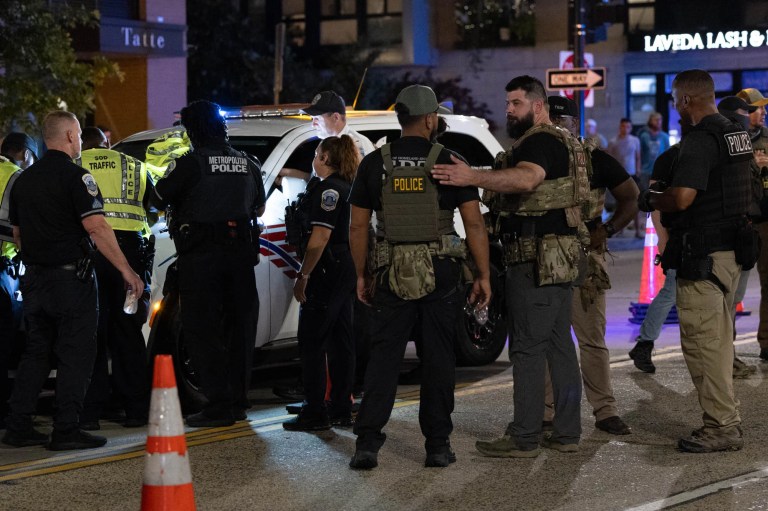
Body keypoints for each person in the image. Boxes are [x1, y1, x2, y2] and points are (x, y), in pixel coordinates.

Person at [432, 75, 586, 458]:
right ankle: (566, 432)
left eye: (515, 103)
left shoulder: (540, 140)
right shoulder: (565, 140)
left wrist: (471, 176)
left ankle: (525, 436)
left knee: (528, 349)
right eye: (507, 103)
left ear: (536, 106)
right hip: (558, 259)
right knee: (558, 346)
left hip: (536, 260)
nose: (508, 110)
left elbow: (528, 178)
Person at [348, 84, 491, 469]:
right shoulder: (450, 160)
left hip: (391, 270)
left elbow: (358, 227)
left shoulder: (374, 163)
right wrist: (483, 275)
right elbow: (474, 225)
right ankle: (438, 446)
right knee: (439, 358)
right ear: (430, 119)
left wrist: (362, 274)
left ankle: (367, 443)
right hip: (441, 271)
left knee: (384, 358)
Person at [2, 111, 144, 450]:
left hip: (35, 281)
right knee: (75, 354)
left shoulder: (22, 180)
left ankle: (18, 425)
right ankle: (66, 430)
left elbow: (18, 234)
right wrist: (126, 270)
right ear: (68, 136)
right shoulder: (78, 178)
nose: (80, 141)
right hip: (71, 281)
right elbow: (96, 227)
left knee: (36, 354)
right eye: (78, 134)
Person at [637, 69, 754, 453]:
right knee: (719, 342)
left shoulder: (702, 140)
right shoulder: (734, 132)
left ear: (686, 100)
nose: (674, 108)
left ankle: (721, 426)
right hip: (729, 251)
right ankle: (727, 417)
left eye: (674, 101)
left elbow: (683, 198)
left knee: (704, 344)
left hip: (704, 255)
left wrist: (652, 199)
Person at [153, 100, 266, 428]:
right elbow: (258, 207)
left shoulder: (190, 164)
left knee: (203, 331)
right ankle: (238, 401)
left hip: (202, 257)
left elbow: (158, 198)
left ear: (193, 131)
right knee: (240, 330)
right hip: (241, 257)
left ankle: (218, 405)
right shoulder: (248, 163)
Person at [545, 96, 638, 436]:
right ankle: (546, 411)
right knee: (545, 340)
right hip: (542, 258)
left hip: (583, 257)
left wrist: (608, 230)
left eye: (562, 122)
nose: (557, 128)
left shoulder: (593, 159)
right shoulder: (536, 156)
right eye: (550, 122)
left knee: (592, 339)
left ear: (575, 123)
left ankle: (605, 410)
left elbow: (632, 196)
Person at [76, 126, 155, 430]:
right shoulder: (134, 166)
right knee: (127, 331)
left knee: (91, 331)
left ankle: (90, 411)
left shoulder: (75, 165)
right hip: (129, 255)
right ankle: (136, 409)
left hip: (91, 252)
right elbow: (153, 209)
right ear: (108, 143)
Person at [282, 135, 359, 432]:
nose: (313, 159)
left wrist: (304, 275)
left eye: (316, 154)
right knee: (341, 339)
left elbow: (320, 237)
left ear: (326, 157)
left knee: (312, 340)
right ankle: (340, 407)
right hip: (344, 266)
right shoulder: (346, 186)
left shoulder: (330, 190)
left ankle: (314, 412)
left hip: (328, 268)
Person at [0, 133, 38, 429]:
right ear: (25, 153)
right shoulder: (16, 177)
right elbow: (17, 229)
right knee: (4, 341)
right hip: (3, 270)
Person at [276, 91, 375, 187]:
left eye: (317, 118)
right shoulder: (325, 143)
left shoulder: (358, 145)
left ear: (335, 117)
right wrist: (287, 173)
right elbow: (316, 179)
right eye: (312, 119)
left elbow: (367, 188)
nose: (313, 124)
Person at [736, 87, 768, 363]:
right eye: (757, 108)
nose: (763, 112)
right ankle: (727, 349)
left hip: (766, 220)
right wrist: (755, 167)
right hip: (742, 222)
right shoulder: (733, 140)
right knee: (734, 289)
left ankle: (766, 343)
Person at [607, 118, 644, 237]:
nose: (625, 129)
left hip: (632, 173)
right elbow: (610, 159)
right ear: (620, 127)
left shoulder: (635, 141)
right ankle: (620, 229)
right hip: (620, 175)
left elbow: (638, 156)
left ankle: (638, 230)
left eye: (628, 127)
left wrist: (638, 170)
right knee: (621, 203)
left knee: (636, 202)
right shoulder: (614, 141)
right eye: (623, 126)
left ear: (631, 128)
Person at [638, 112, 670, 190]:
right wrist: (638, 169)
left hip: (660, 171)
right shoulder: (644, 136)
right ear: (651, 121)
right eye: (656, 120)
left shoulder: (665, 137)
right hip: (645, 170)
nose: (658, 122)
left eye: (660, 120)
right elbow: (639, 153)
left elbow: (668, 155)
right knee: (644, 194)